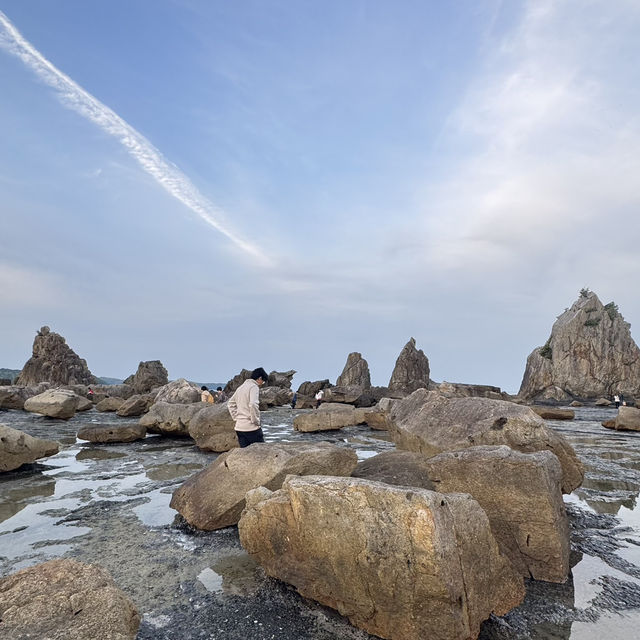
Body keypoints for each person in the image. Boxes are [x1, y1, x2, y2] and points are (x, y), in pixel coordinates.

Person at [227, 368, 268, 447]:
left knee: (244, 452)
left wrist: (236, 418)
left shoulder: (240, 387)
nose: (262, 384)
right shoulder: (254, 387)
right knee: (260, 452)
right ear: (259, 378)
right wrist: (256, 421)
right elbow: (253, 404)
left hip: (239, 427)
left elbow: (230, 404)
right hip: (251, 428)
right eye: (263, 381)